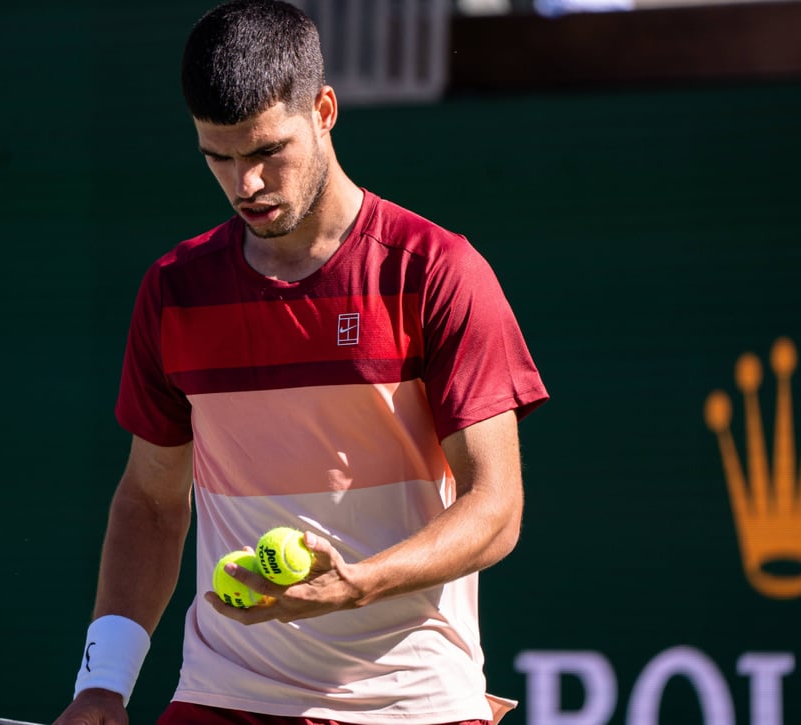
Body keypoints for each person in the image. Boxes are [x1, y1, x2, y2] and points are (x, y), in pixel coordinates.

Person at [53, 1, 548, 723]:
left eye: (264, 152)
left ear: (323, 110)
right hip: (223, 695)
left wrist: (358, 583)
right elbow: (153, 503)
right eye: (217, 158)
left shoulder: (438, 272)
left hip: (409, 704)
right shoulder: (174, 289)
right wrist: (103, 681)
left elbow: (495, 509)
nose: (243, 184)